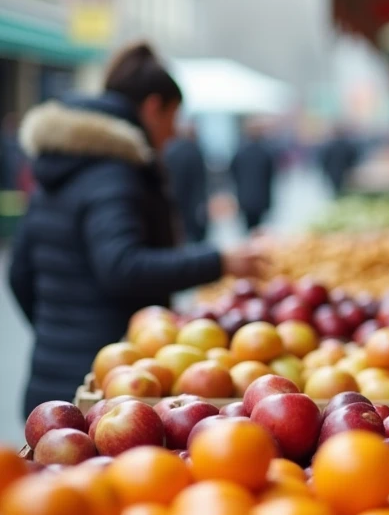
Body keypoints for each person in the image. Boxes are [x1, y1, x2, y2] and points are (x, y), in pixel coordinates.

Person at [7, 42, 265, 415]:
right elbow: (122, 266)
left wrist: (57, 333)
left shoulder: (61, 165)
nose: (173, 133)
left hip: (51, 382)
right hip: (106, 387)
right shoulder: (114, 173)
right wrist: (220, 261)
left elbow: (19, 273)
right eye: (173, 118)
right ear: (153, 107)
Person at [163, 121, 210, 243]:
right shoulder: (195, 151)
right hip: (194, 203)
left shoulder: (170, 149)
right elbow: (200, 181)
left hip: (175, 201)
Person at [230, 126, 276, 232]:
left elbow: (233, 171)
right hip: (261, 197)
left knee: (248, 227)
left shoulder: (240, 153)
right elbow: (270, 175)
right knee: (259, 228)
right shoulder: (265, 153)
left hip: (244, 197)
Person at [319, 125, 359, 194]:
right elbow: (353, 158)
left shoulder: (330, 146)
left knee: (335, 187)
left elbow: (324, 160)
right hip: (345, 171)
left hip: (333, 171)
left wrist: (325, 171)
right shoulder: (348, 145)